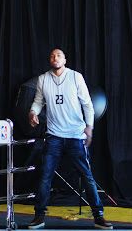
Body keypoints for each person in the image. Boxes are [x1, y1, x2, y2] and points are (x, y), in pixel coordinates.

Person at [27, 49, 112, 230]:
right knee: (45, 178)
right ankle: (39, 217)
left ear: (65, 60)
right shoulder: (43, 79)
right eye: (51, 55)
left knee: (87, 177)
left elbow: (88, 104)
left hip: (75, 136)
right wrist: (33, 112)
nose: (55, 58)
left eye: (58, 55)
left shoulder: (75, 77)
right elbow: (38, 101)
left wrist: (89, 127)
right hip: (54, 136)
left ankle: (99, 216)